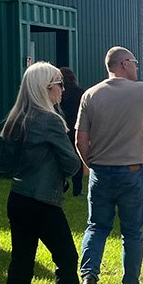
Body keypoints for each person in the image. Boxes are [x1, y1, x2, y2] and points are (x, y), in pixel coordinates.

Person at [0, 62, 102, 284]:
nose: (63, 89)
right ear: (45, 89)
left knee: (20, 266)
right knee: (67, 260)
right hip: (43, 202)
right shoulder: (50, 120)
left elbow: (7, 164)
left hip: (18, 197)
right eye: (58, 84)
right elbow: (71, 163)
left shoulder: (15, 119)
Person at [76, 46, 143, 284]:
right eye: (134, 61)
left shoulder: (90, 94)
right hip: (132, 171)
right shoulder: (141, 89)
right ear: (124, 63)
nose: (136, 66)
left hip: (101, 171)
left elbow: (80, 139)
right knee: (132, 233)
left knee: (96, 227)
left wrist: (89, 165)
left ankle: (89, 276)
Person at [59, 66, 84, 197]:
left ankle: (61, 185)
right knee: (77, 159)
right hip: (76, 128)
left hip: (61, 128)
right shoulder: (80, 93)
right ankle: (77, 190)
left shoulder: (59, 94)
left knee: (60, 158)